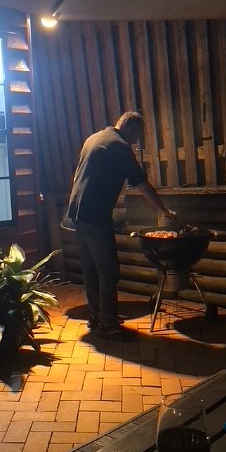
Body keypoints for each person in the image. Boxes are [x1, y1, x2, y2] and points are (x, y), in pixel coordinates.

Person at [67, 111, 177, 340]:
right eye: (138, 135)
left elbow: (81, 174)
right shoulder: (119, 146)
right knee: (108, 268)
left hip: (77, 210)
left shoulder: (95, 138)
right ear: (130, 128)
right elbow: (142, 185)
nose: (137, 141)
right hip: (95, 213)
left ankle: (97, 316)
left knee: (90, 267)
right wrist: (164, 211)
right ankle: (107, 325)